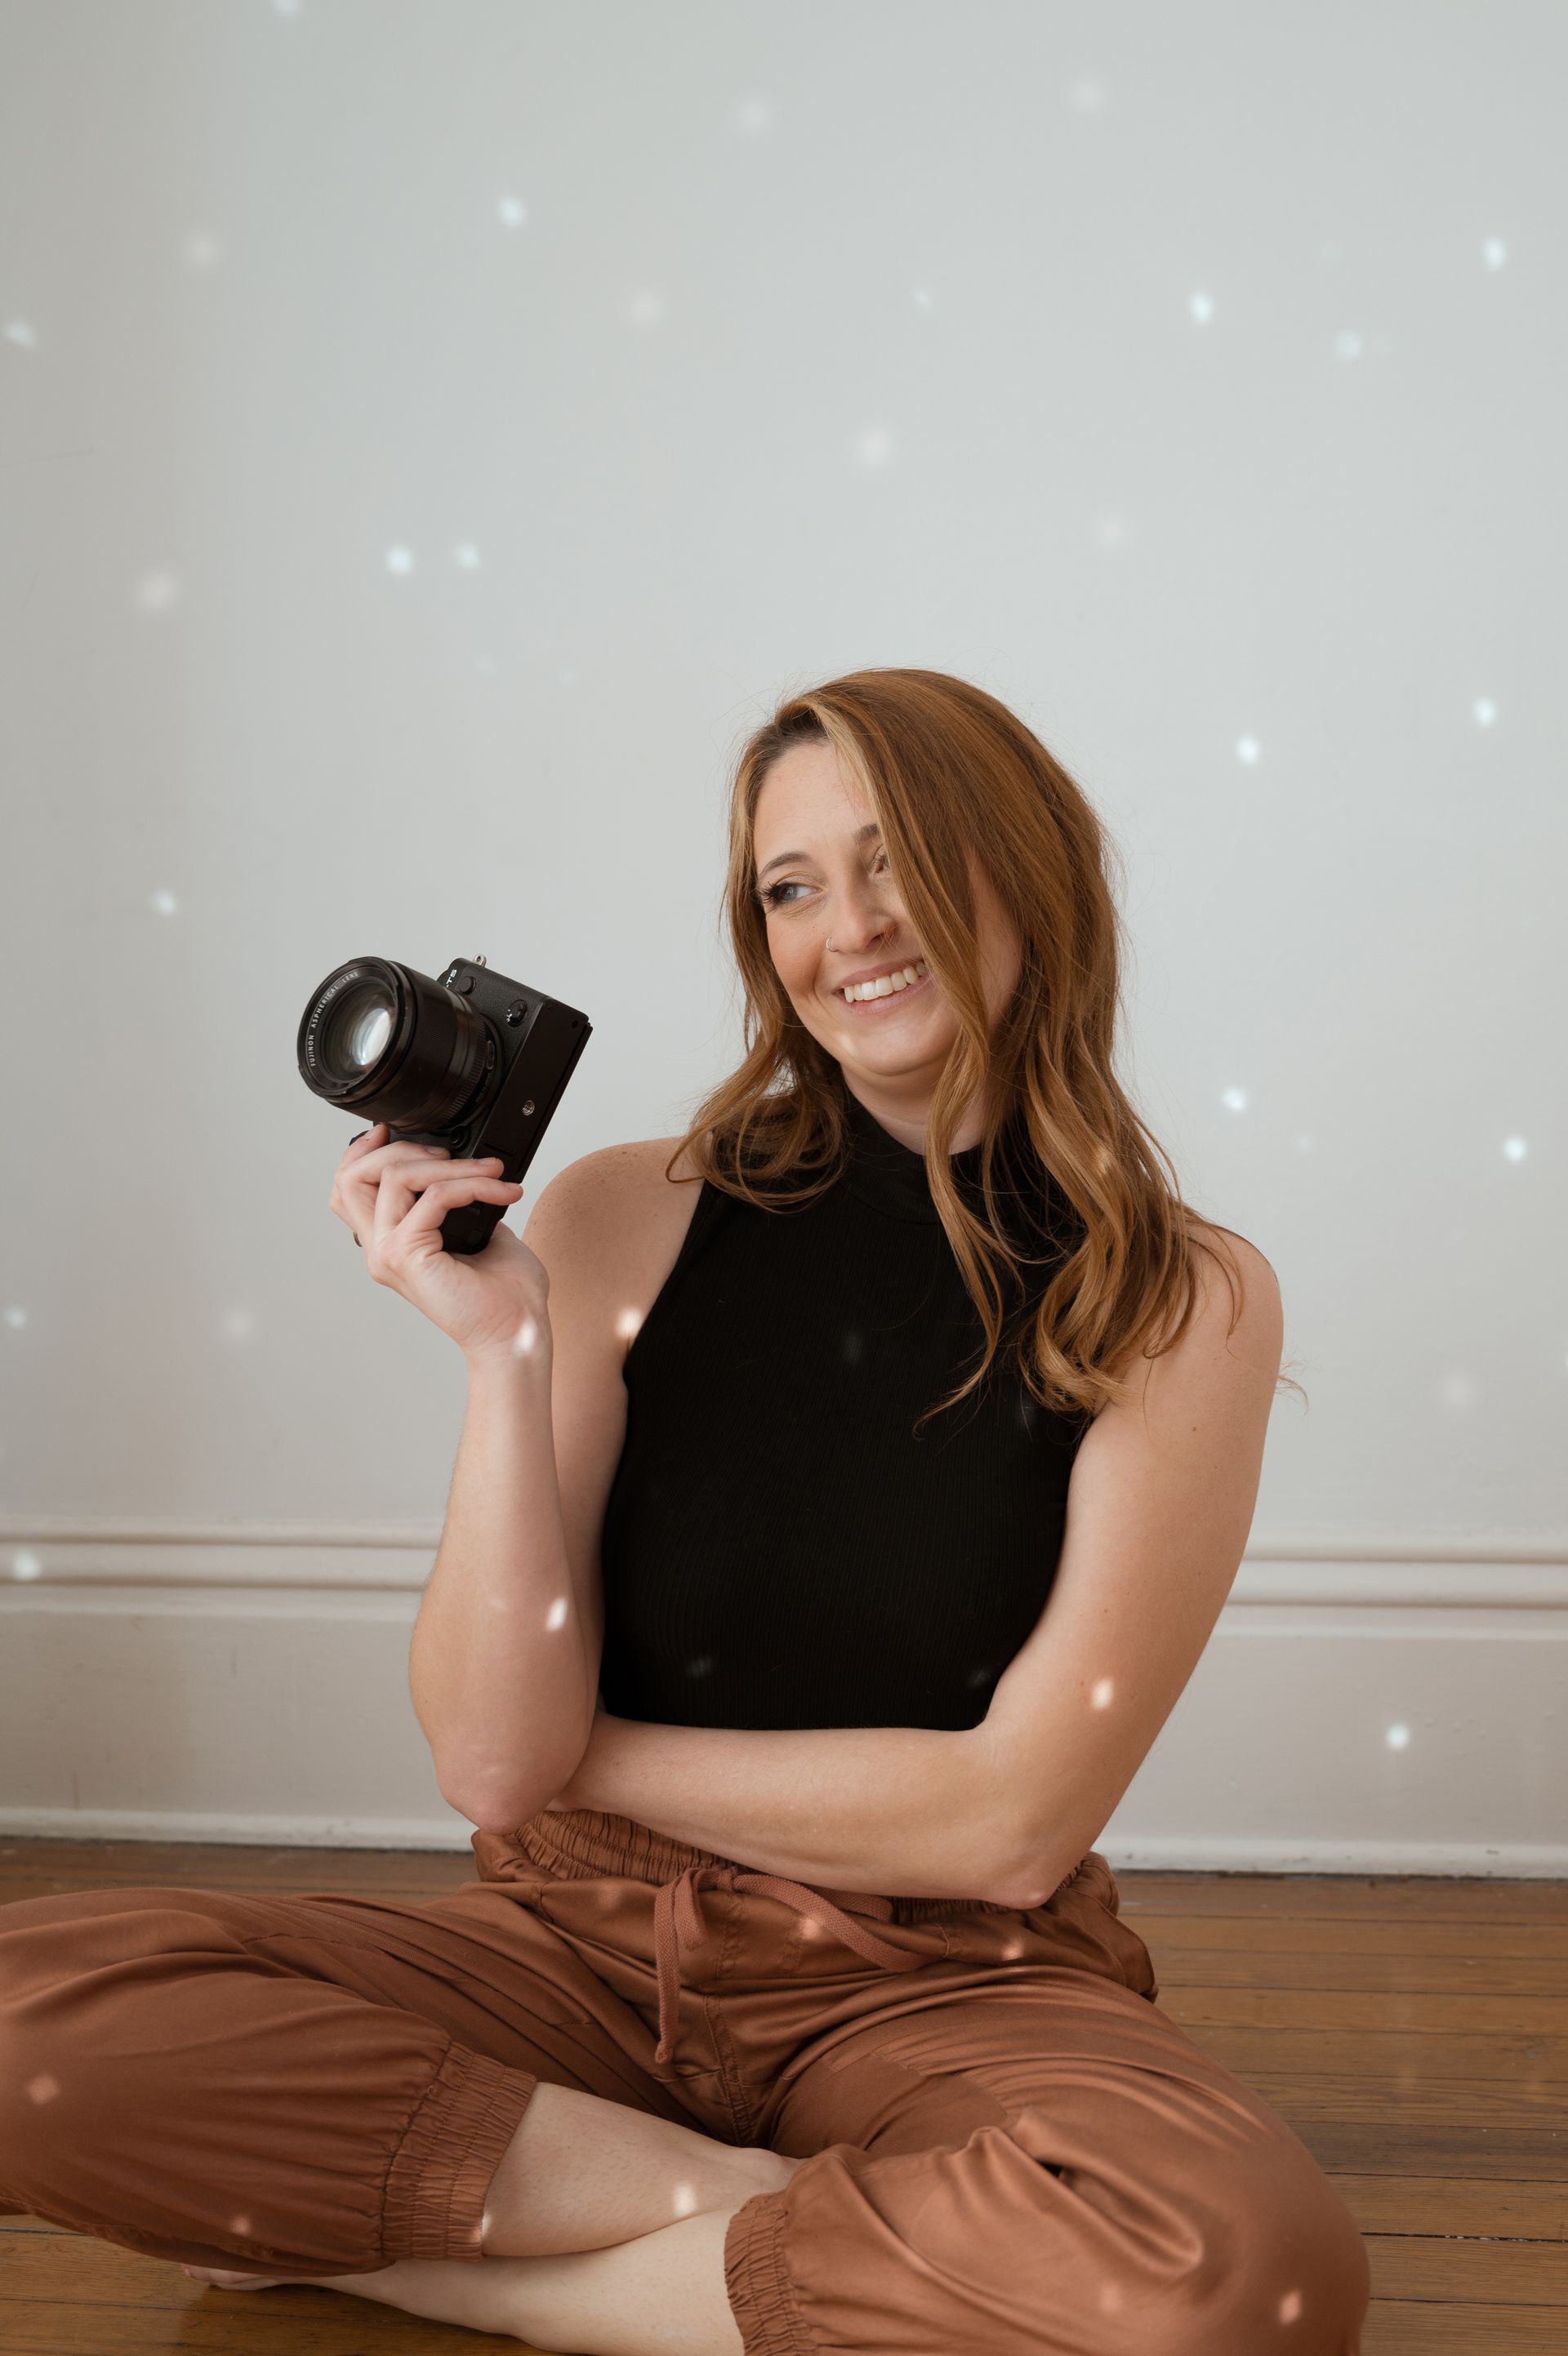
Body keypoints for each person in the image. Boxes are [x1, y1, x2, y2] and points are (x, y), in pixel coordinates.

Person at [0, 668, 1372, 2352]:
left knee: (1236, 2271)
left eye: (895, 863)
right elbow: (487, 1765)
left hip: (940, 1976)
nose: (846, 930)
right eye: (790, 889)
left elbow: (1005, 1824)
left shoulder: (1184, 1300)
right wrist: (506, 1360)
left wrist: (579, 1756)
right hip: (568, 1948)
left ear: (1029, 876)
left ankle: (469, 2263)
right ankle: (751, 2229)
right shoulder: (620, 1218)